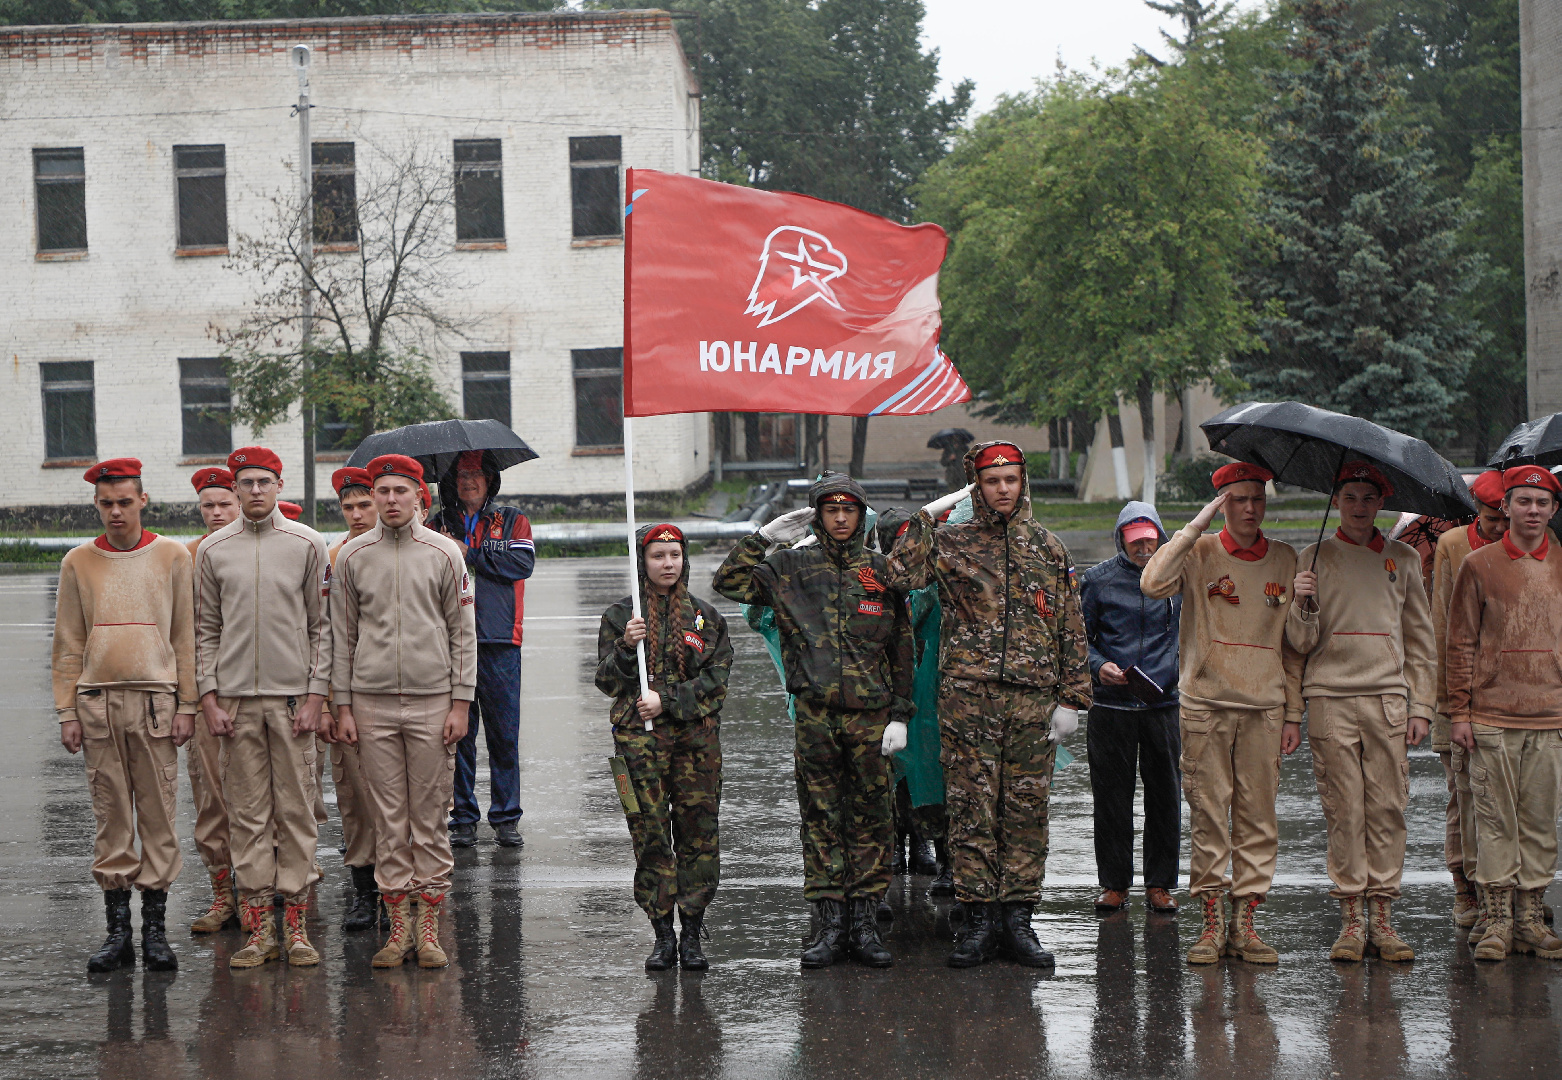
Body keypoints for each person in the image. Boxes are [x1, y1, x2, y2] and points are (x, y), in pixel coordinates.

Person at [887, 442, 1090, 970]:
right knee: (972, 811)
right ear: (977, 484)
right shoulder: (952, 544)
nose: (1003, 488)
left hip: (1031, 703)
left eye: (1011, 479)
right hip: (967, 702)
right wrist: (925, 518)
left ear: (1024, 482)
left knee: (1025, 813)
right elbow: (899, 576)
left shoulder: (1049, 548)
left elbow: (1070, 627)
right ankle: (978, 922)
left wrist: (1073, 699)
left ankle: (1019, 922)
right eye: (992, 480)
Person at [713, 472, 913, 969]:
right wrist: (762, 539)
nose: (841, 518)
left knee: (872, 818)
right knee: (821, 818)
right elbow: (728, 582)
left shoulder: (882, 570)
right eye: (831, 510)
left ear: (861, 514)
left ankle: (864, 923)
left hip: (871, 718)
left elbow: (902, 648)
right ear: (819, 515)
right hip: (816, 715)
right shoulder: (790, 567)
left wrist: (901, 715)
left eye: (849, 510)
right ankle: (829, 923)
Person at [1140, 462, 1304, 966]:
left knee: (1258, 818)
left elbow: (1296, 646)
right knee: (1209, 815)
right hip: (1206, 706)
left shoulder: (1285, 559)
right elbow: (1153, 582)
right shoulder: (1200, 553)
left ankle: (1246, 921)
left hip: (1264, 706)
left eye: (1257, 498)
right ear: (1221, 504)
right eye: (1237, 499)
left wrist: (1294, 711)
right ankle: (1211, 921)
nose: (1250, 508)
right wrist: (1194, 527)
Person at [332, 454, 477, 969]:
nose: (390, 500)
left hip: (433, 701)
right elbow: (341, 635)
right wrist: (343, 705)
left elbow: (463, 635)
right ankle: (397, 929)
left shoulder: (444, 554)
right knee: (388, 818)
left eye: (400, 491)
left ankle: (430, 926)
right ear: (371, 497)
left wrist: (461, 702)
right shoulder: (351, 557)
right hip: (370, 704)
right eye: (382, 492)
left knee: (431, 816)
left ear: (422, 498)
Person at [1288, 462, 1437, 962]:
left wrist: (1422, 706)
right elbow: (1299, 643)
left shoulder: (1403, 559)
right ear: (1337, 500)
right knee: (1343, 809)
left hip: (1388, 701)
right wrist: (1302, 604)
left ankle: (1384, 918)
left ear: (1381, 503)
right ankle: (1352, 919)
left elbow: (1420, 640)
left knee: (1388, 808)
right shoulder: (1313, 557)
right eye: (1349, 497)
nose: (1358, 506)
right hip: (1330, 696)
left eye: (1368, 498)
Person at [53, 458, 196, 972]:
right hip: (97, 704)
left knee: (158, 815)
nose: (115, 512)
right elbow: (68, 642)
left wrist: (188, 704)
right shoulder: (78, 562)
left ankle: (155, 930)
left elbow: (185, 638)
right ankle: (118, 934)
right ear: (96, 505)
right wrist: (67, 710)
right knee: (110, 815)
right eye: (105, 503)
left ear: (143, 501)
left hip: (157, 702)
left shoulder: (173, 556)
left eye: (124, 502)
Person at [195, 446, 332, 969]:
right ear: (234, 489)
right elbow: (205, 630)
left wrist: (316, 697)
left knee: (297, 813)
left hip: (293, 700)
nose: (254, 491)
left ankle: (295, 925)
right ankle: (259, 928)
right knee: (247, 816)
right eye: (246, 482)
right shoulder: (214, 550)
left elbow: (323, 628)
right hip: (234, 704)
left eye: (264, 482)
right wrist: (209, 696)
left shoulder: (306, 543)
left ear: (279, 485)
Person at [596, 523, 732, 971]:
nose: (667, 564)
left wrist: (667, 701)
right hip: (637, 745)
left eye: (674, 555)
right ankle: (662, 934)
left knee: (698, 833)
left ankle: (692, 932)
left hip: (695, 743)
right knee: (649, 833)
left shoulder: (707, 618)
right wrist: (624, 646)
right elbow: (606, 682)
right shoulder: (621, 616)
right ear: (643, 562)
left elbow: (716, 683)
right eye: (658, 556)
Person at [1445, 465, 1562, 962]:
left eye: (1542, 503)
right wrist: (1460, 712)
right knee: (1493, 821)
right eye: (1523, 502)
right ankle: (1495, 921)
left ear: (1553, 509)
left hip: (1549, 716)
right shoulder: (1479, 564)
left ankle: (1530, 918)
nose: (1532, 511)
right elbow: (1461, 642)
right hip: (1491, 716)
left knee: (1539, 822)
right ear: (1506, 507)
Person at [1081, 501, 1182, 915]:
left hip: (1163, 702)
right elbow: (1077, 637)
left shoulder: (1178, 578)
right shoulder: (1098, 580)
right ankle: (1114, 884)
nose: (1144, 548)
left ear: (1160, 536)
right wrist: (1098, 665)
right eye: (1135, 540)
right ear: (1121, 538)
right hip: (1110, 705)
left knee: (1165, 797)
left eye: (1150, 540)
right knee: (1111, 799)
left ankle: (1160, 884)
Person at [436, 451, 535, 850]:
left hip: (500, 642)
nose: (469, 481)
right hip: (449, 645)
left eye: (477, 474)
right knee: (457, 736)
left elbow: (521, 563)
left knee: (503, 735)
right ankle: (462, 817)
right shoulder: (437, 523)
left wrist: (469, 552)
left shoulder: (512, 519)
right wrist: (445, 546)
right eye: (462, 474)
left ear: (491, 478)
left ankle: (506, 817)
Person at [1430, 470, 1508, 933]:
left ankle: (1509, 890)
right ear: (1475, 512)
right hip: (1455, 691)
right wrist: (1445, 698)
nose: (1499, 527)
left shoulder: (1526, 547)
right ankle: (1467, 888)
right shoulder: (1453, 545)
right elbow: (1441, 619)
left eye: (1505, 518)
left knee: (1506, 797)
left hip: (1506, 693)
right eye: (1491, 518)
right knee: (1463, 796)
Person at [183, 467, 241, 934]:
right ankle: (223, 893)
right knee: (211, 797)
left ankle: (275, 893)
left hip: (261, 691)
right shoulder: (186, 557)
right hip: (207, 693)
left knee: (275, 798)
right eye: (209, 506)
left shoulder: (262, 548)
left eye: (225, 503)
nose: (217, 513)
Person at [326, 466, 384, 933]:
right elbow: (326, 634)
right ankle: (364, 891)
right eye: (348, 507)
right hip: (348, 693)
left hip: (398, 692)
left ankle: (407, 892)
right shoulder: (334, 556)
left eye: (365, 504)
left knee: (409, 800)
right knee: (354, 798)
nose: (357, 514)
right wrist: (329, 702)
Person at [875, 509, 945, 889]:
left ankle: (924, 841)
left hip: (929, 689)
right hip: (886, 687)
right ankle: (894, 846)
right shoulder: (880, 579)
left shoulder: (932, 579)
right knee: (893, 770)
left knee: (927, 765)